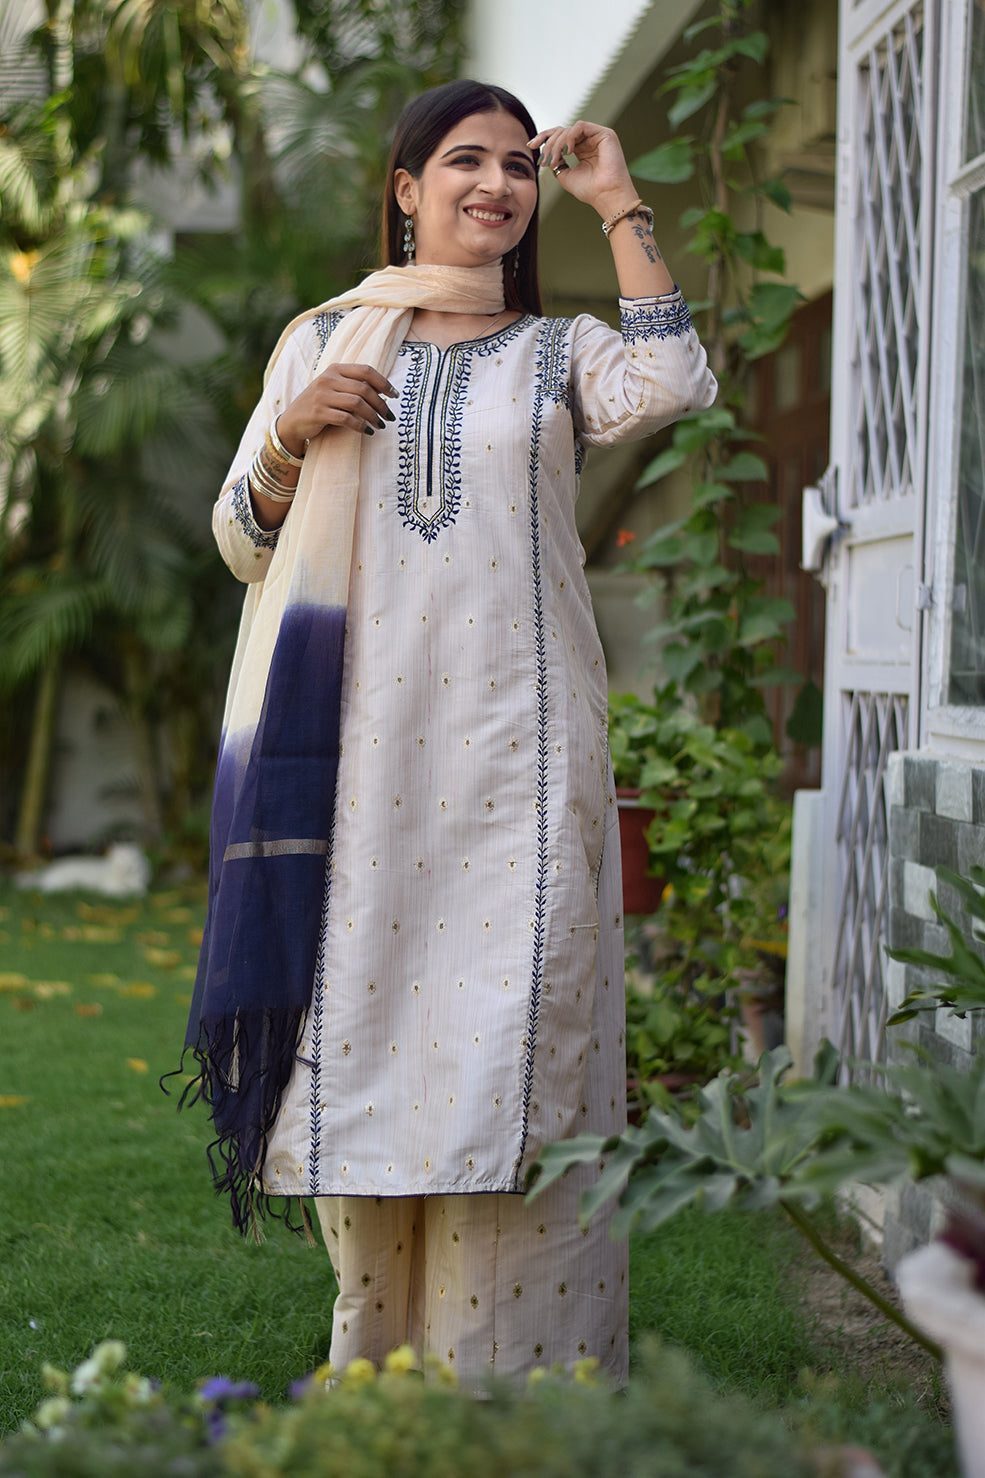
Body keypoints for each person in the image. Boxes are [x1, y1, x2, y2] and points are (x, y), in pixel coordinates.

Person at [183, 78, 716, 1390]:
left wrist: (616, 197)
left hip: (523, 751)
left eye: (514, 168)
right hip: (360, 752)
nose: (493, 185)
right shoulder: (320, 340)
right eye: (460, 162)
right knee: (370, 1028)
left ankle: (531, 1368)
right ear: (406, 187)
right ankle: (381, 1359)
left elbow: (674, 380)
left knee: (520, 1031)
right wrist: (285, 446)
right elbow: (243, 542)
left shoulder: (556, 351)